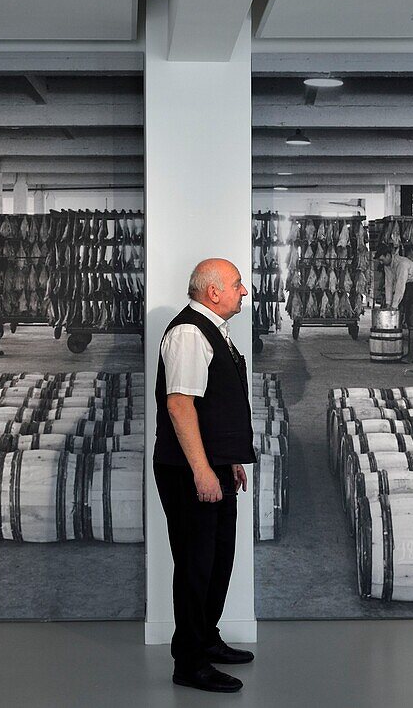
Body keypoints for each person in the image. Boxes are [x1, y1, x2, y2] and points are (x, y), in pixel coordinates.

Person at [154, 258, 254, 694]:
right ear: (213, 292)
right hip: (187, 470)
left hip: (212, 465)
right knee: (195, 565)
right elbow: (180, 406)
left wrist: (228, 459)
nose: (244, 291)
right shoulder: (189, 333)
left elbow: (214, 405)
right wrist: (201, 470)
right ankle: (189, 661)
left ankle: (207, 639)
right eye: (236, 284)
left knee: (218, 560)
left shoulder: (214, 330)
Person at [382, 246, 413, 363]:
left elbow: (400, 286)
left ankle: (412, 355)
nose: (382, 262)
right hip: (409, 287)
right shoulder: (387, 266)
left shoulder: (402, 264)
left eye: (382, 259)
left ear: (388, 255)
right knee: (408, 320)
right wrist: (388, 303)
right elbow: (388, 284)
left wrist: (394, 306)